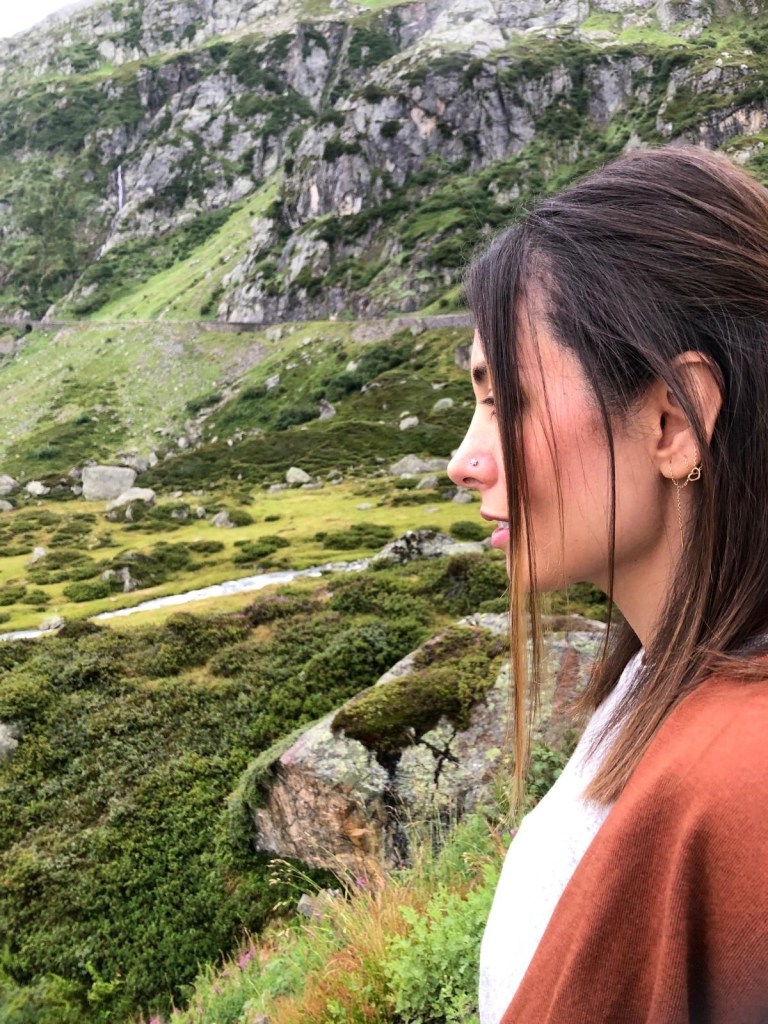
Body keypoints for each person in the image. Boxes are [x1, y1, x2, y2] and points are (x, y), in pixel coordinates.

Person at [446, 143, 768, 1023]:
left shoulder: (738, 787)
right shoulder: (661, 689)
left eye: (504, 400)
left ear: (673, 420)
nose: (463, 461)